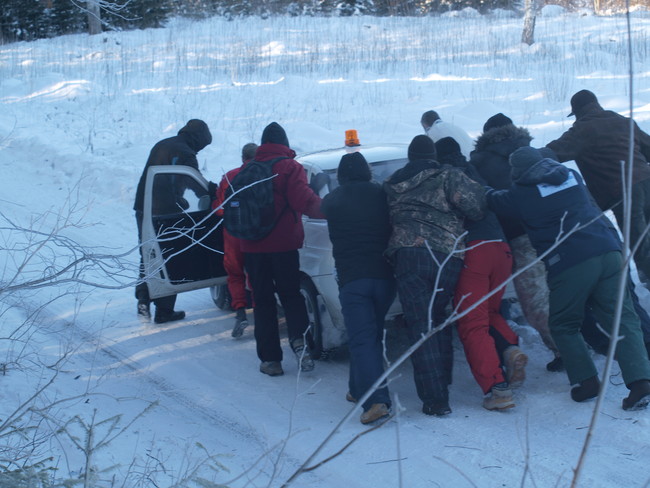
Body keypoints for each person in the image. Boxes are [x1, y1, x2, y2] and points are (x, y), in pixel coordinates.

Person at [487, 146, 650, 410]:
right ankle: (641, 382)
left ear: (516, 172)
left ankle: (586, 382)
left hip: (571, 262)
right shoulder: (570, 176)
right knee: (623, 317)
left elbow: (494, 200)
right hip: (609, 251)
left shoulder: (521, 193)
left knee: (563, 323)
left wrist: (478, 186)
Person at [383, 135, 485, 416]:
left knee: (420, 324)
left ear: (410, 156)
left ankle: (435, 398)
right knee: (439, 319)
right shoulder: (448, 176)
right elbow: (477, 207)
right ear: (433, 156)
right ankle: (443, 385)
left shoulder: (391, 184)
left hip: (407, 256)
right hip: (445, 255)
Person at [435, 137, 526, 411]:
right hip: (501, 248)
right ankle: (510, 349)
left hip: (473, 252)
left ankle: (497, 389)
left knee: (471, 323)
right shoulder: (475, 171)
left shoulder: (443, 178)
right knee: (490, 312)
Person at [470, 113, 563, 371]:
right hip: (557, 231)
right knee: (565, 292)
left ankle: (567, 350)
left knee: (534, 303)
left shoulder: (480, 162)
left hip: (519, 240)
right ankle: (575, 343)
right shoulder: (536, 152)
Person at [241, 122, 324, 377]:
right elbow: (305, 201)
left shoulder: (246, 170)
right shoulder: (289, 168)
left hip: (252, 247)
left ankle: (270, 361)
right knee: (290, 295)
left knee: (262, 301)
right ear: (285, 144)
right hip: (283, 246)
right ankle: (300, 345)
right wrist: (333, 208)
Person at [546, 89, 650, 287]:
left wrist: (522, 155)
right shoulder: (624, 121)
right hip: (648, 183)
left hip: (625, 193)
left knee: (641, 247)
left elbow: (552, 152)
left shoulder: (582, 130)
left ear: (577, 112)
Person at [321, 152, 396, 425]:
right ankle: (356, 389)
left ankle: (377, 400)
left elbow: (317, 208)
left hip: (354, 281)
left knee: (362, 337)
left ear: (341, 176)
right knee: (369, 334)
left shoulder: (333, 201)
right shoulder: (383, 195)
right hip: (385, 278)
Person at [133, 119, 213, 324]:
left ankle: (143, 298)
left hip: (144, 206)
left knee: (149, 251)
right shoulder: (186, 153)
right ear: (199, 139)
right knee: (169, 256)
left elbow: (165, 178)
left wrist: (177, 198)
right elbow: (192, 180)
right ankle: (164, 311)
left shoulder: (164, 144)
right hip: (165, 213)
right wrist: (215, 191)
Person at [213, 142, 257, 338]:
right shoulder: (264, 175)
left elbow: (219, 208)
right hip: (256, 232)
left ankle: (240, 312)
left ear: (242, 158)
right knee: (257, 272)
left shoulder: (230, 177)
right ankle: (260, 310)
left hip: (232, 233)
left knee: (235, 273)